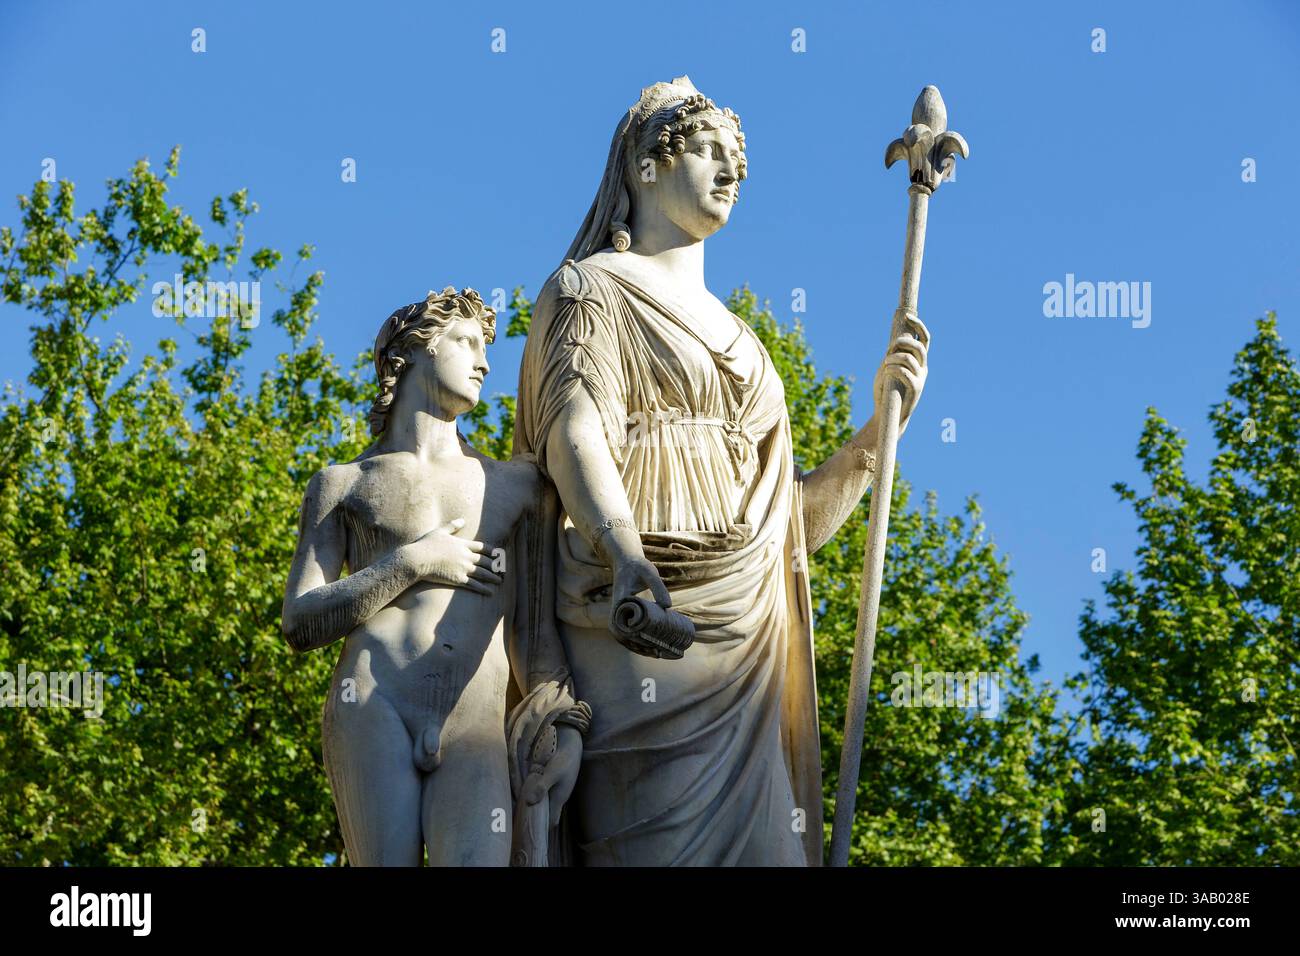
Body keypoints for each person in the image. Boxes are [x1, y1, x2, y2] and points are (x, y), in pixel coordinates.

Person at [513, 77, 928, 865]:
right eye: (708, 150)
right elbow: (573, 433)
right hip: (637, 620)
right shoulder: (590, 289)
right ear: (645, 164)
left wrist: (879, 433)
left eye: (738, 158)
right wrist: (627, 554)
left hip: (749, 649)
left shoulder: (752, 351)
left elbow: (786, 533)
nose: (730, 171)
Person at [282, 286, 587, 866]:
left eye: (486, 347)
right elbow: (300, 620)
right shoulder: (342, 483)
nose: (484, 361)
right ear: (412, 352)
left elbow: (537, 633)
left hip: (473, 717)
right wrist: (410, 563)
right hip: (373, 703)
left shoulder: (515, 486)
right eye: (466, 342)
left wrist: (565, 724)